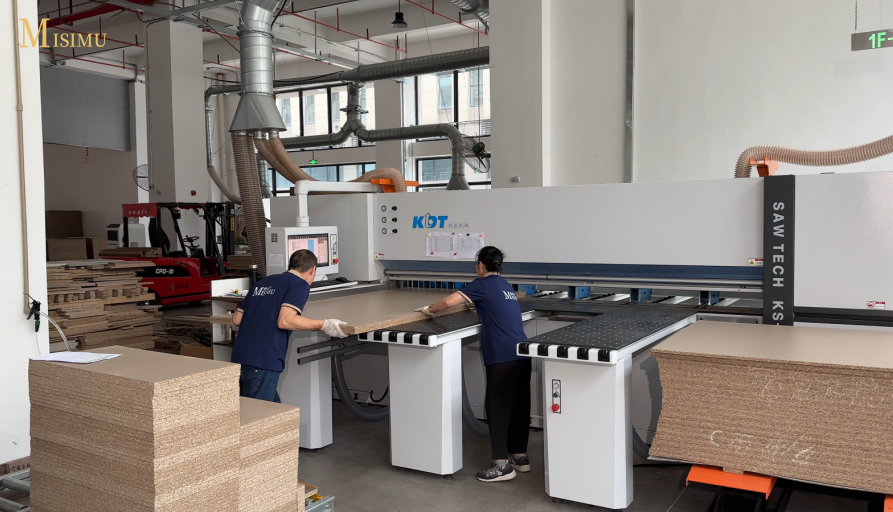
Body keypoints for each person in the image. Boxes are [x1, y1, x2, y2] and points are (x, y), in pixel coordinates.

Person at [415, 246, 530, 483]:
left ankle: (501, 466)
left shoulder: (481, 284)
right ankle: (520, 457)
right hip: (521, 352)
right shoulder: (506, 285)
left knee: (497, 409)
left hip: (502, 356)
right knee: (519, 406)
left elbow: (449, 301)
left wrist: (429, 310)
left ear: (480, 265)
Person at [231, 249, 348, 403]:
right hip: (264, 359)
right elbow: (285, 321)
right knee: (258, 412)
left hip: (241, 355)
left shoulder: (262, 283)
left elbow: (237, 319)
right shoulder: (299, 285)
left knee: (273, 409)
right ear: (312, 270)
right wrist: (325, 325)